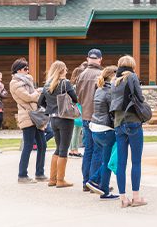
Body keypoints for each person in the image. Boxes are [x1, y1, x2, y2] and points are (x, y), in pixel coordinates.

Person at [110, 55, 146, 207]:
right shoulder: (132, 77)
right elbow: (141, 98)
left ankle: (123, 198)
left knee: (121, 163)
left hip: (118, 124)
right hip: (133, 122)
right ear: (132, 65)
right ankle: (136, 197)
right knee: (136, 162)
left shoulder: (113, 81)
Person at [39, 60, 78, 188]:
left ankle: (52, 179)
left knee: (58, 147)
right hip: (65, 119)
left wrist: (51, 108)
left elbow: (40, 102)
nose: (67, 71)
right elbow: (75, 99)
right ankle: (60, 180)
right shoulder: (65, 83)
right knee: (63, 149)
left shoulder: (47, 85)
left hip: (53, 119)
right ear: (62, 70)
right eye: (65, 69)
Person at [9, 57, 47, 184]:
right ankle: (22, 175)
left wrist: (36, 93)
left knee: (43, 145)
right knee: (28, 146)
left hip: (36, 115)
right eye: (26, 68)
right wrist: (38, 92)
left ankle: (40, 173)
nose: (28, 70)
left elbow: (33, 97)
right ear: (19, 70)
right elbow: (27, 97)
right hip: (27, 116)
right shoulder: (14, 83)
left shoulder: (28, 81)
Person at [85, 65, 119, 200]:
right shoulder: (110, 91)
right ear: (112, 76)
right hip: (106, 130)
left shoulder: (99, 89)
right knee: (108, 162)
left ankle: (104, 189)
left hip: (96, 129)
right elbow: (114, 110)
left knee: (103, 160)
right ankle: (94, 180)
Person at [76, 49, 103, 191]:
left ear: (88, 59)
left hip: (85, 115)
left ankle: (85, 182)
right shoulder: (100, 75)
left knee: (88, 150)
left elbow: (77, 97)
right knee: (98, 150)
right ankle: (94, 182)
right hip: (98, 117)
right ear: (99, 60)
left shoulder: (81, 75)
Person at [69, 62, 88, 158]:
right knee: (78, 129)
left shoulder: (72, 85)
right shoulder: (78, 86)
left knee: (75, 130)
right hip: (79, 109)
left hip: (74, 109)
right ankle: (74, 150)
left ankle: (72, 149)